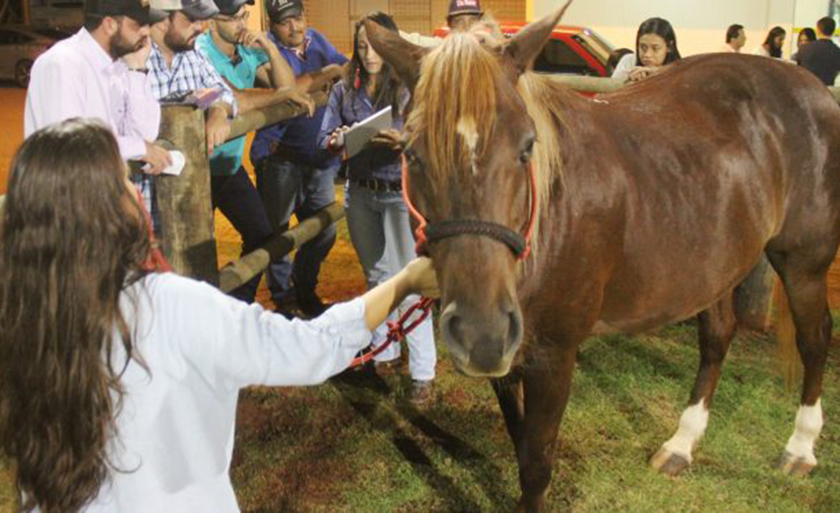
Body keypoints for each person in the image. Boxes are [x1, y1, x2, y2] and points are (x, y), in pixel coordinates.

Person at [0, 118, 439, 512]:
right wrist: (404, 283)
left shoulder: (22, 315)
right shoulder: (169, 306)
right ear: (104, 210)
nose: (136, 191)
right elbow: (303, 350)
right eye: (124, 182)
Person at [319, 12, 437, 404]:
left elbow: (424, 138)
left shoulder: (406, 87)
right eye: (362, 45)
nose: (368, 53)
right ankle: (384, 351)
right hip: (360, 192)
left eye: (375, 45)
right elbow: (324, 139)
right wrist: (337, 139)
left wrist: (400, 138)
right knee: (375, 276)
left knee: (407, 282)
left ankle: (423, 371)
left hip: (398, 193)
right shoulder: (344, 90)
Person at [196, 0, 314, 303]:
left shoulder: (247, 50)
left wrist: (271, 48)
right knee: (196, 251)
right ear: (211, 21)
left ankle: (237, 303)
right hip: (197, 172)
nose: (242, 24)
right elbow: (233, 97)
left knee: (262, 235)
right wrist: (283, 95)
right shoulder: (200, 52)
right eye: (233, 18)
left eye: (244, 16)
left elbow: (287, 86)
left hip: (229, 166)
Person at [24, 0, 171, 216]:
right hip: (60, 211)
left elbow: (146, 134)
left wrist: (138, 69)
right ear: (110, 24)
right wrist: (139, 148)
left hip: (98, 204)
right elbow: (69, 146)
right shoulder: (63, 63)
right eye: (138, 24)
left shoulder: (119, 65)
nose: (147, 32)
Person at [251, 0, 348, 318]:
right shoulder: (262, 52)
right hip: (281, 159)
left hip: (318, 160)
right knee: (278, 235)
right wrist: (328, 73)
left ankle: (305, 288)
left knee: (324, 229)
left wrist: (337, 72)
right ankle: (285, 298)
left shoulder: (317, 39)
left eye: (299, 17)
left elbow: (345, 67)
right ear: (272, 25)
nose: (294, 27)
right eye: (284, 22)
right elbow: (287, 87)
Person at [147, 0, 237, 155]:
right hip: (139, 176)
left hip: (190, 174)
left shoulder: (193, 51)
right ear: (162, 20)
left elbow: (223, 92)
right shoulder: (130, 59)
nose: (200, 28)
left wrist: (219, 110)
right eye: (192, 20)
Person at [611, 17, 681, 83]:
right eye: (643, 48)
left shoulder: (681, 69)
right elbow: (612, 91)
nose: (647, 54)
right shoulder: (629, 61)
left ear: (669, 47)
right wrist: (629, 82)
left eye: (655, 48)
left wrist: (657, 72)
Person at [796, 17, 840, 85]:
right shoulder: (837, 52)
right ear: (833, 30)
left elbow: (797, 69)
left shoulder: (804, 49)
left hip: (806, 88)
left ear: (818, 30)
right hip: (825, 91)